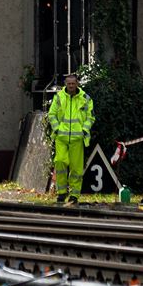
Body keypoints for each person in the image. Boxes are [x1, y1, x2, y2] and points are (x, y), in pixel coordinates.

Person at [47, 73, 95, 205]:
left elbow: (90, 117)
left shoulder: (85, 99)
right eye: (69, 84)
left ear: (77, 84)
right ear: (65, 84)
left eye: (73, 83)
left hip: (77, 139)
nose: (71, 86)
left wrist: (83, 130)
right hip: (61, 137)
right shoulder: (59, 97)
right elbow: (51, 115)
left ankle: (74, 194)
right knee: (60, 163)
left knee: (76, 168)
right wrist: (57, 129)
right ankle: (61, 193)